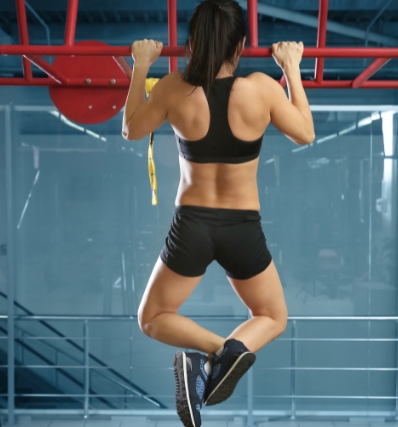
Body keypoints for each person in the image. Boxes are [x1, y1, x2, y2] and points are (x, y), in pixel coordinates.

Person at [121, 1, 314, 425]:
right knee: (273, 317)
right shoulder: (262, 88)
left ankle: (209, 354)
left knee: (150, 318)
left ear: (191, 44)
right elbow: (305, 132)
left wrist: (141, 64)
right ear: (241, 45)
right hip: (241, 226)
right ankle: (221, 357)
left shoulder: (174, 87)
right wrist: (292, 68)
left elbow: (130, 128)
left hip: (192, 225)